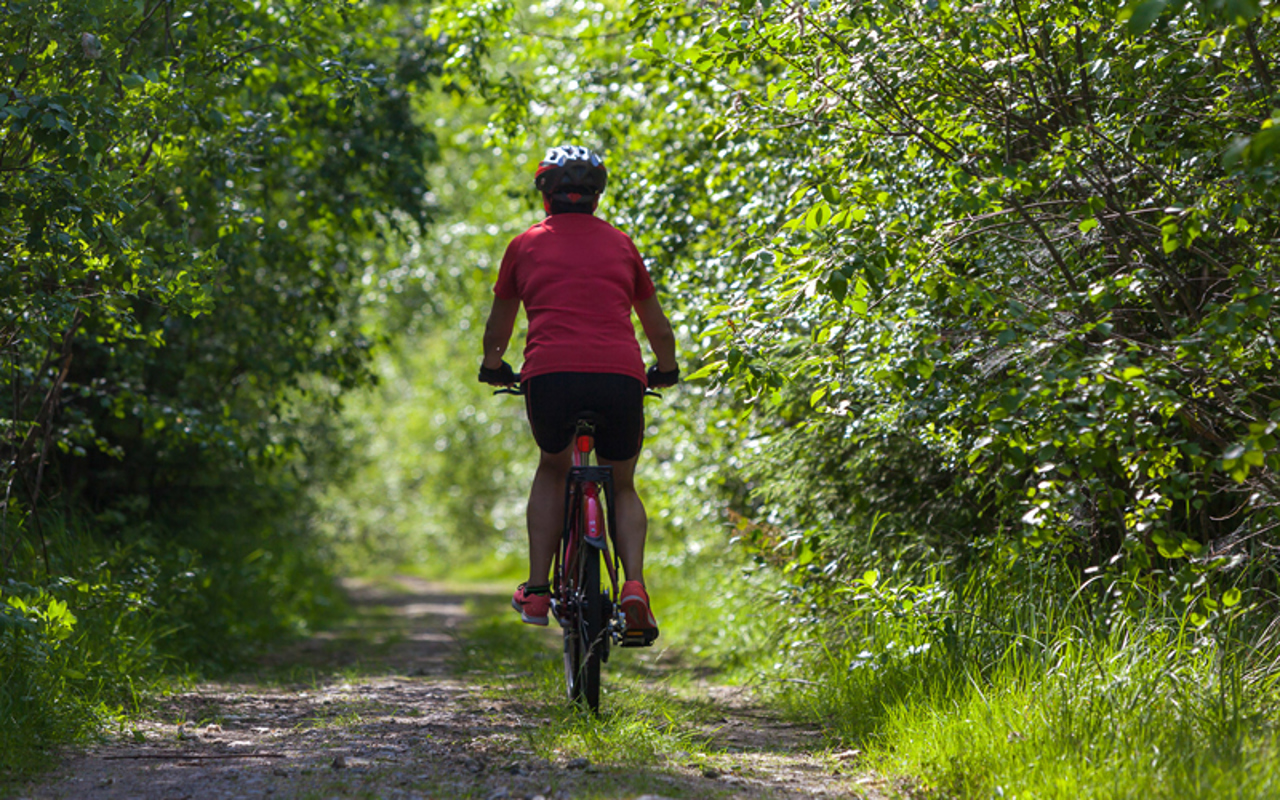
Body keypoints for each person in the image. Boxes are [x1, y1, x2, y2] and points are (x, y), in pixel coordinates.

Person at [478, 144, 678, 641]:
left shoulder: (525, 245)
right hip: (620, 377)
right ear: (595, 197)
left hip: (551, 376)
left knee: (553, 467)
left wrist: (493, 365)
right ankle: (633, 585)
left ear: (545, 196)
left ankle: (539, 589)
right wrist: (666, 369)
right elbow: (659, 330)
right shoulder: (621, 244)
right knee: (623, 484)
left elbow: (498, 328)